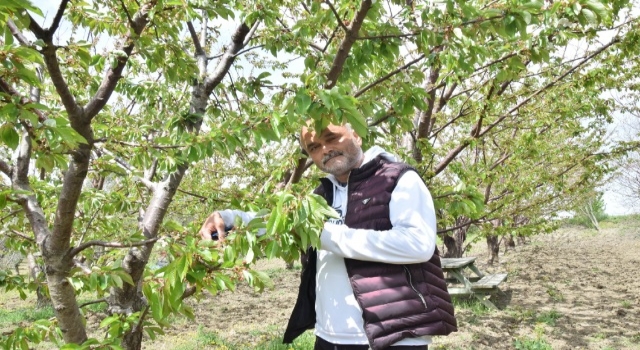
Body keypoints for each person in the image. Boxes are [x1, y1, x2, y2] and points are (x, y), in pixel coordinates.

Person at [199, 123, 457, 350]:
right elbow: (280, 222)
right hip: (330, 335)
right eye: (313, 147)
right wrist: (228, 217)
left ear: (356, 135)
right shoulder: (321, 195)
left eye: (331, 137)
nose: (324, 149)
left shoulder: (397, 178)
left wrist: (324, 234)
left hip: (393, 336)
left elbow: (417, 245)